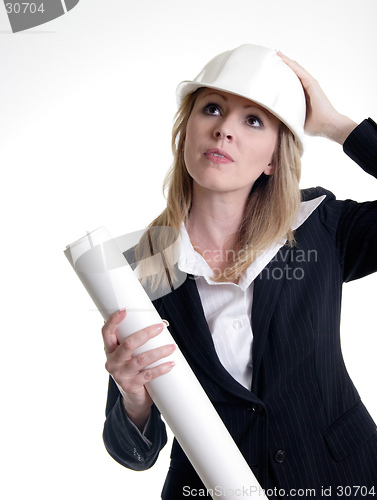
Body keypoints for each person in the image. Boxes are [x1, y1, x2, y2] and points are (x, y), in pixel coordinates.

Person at [101, 44, 377, 498]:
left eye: (253, 120)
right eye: (212, 109)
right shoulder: (140, 268)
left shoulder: (319, 227)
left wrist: (336, 126)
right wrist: (133, 398)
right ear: (186, 133)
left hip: (341, 478)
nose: (225, 129)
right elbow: (134, 453)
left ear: (273, 158)